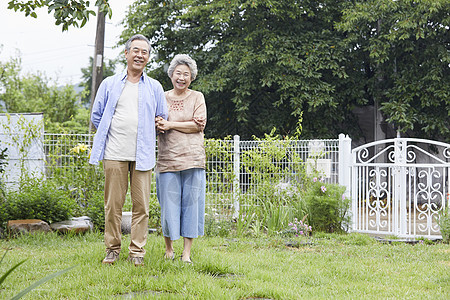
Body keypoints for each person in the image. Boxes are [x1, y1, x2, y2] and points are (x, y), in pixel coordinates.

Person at [89, 34, 168, 266]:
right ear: (126, 53)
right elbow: (96, 115)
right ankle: (112, 249)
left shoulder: (154, 86)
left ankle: (137, 252)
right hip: (114, 152)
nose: (139, 55)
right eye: (135, 50)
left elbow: (162, 115)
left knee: (141, 206)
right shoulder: (110, 83)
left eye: (144, 52)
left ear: (148, 58)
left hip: (142, 155)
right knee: (113, 205)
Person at [155, 54, 207, 264]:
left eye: (186, 74)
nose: (182, 77)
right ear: (171, 75)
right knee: (168, 206)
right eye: (178, 73)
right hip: (167, 160)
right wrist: (168, 124)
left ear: (191, 78)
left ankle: (186, 253)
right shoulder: (162, 97)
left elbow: (199, 125)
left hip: (193, 160)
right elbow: (158, 123)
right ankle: (169, 249)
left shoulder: (197, 97)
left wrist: (171, 124)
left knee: (191, 206)